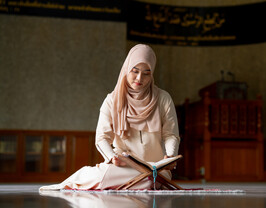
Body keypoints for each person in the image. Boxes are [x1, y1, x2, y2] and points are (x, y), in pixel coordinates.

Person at [40, 44, 180, 190]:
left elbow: (171, 134)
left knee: (156, 178)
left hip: (155, 167)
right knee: (104, 175)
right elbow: (102, 138)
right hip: (123, 168)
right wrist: (112, 157)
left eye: (146, 73)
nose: (140, 78)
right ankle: (72, 182)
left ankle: (144, 181)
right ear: (127, 68)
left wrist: (170, 156)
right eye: (135, 71)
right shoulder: (112, 100)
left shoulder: (163, 98)